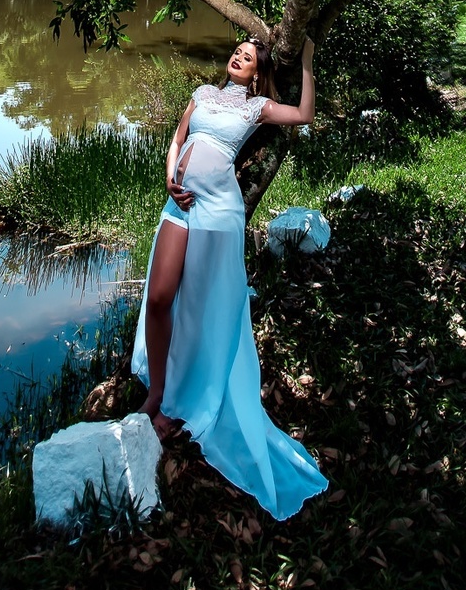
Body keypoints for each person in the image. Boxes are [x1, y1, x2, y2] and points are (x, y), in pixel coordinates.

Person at [131, 34, 328, 520]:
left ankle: (180, 400)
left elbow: (303, 116)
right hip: (179, 205)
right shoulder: (200, 93)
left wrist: (306, 62)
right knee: (159, 298)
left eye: (248, 56)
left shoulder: (257, 106)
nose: (238, 56)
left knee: (204, 307)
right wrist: (168, 176)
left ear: (257, 72)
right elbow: (178, 139)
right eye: (236, 51)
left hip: (220, 213)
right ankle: (156, 392)